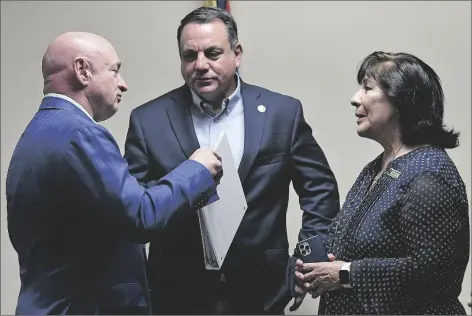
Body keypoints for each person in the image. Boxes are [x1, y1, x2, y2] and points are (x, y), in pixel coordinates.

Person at [123, 6, 340, 315]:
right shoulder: (149, 120)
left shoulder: (283, 113)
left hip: (263, 290)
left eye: (213, 53)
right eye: (189, 56)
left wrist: (308, 260)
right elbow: (133, 208)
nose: (200, 65)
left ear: (237, 53)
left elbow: (319, 188)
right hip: (176, 293)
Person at [6, 32, 223, 315]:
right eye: (115, 71)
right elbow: (140, 216)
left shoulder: (36, 133)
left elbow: (110, 209)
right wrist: (197, 170)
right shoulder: (81, 134)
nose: (123, 83)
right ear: (83, 71)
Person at [295, 51, 470, 314]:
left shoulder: (429, 175)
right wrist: (317, 267)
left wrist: (344, 273)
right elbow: (354, 241)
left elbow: (434, 274)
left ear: (401, 101)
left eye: (367, 88)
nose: (355, 99)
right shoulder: (378, 166)